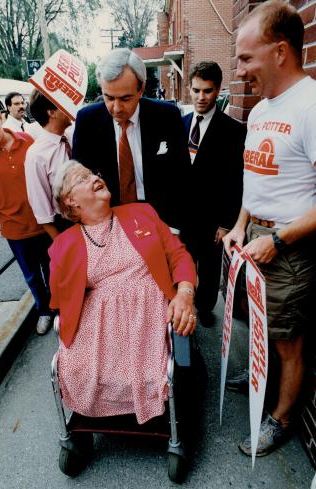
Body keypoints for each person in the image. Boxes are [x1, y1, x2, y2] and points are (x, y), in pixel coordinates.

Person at [223, 0, 316, 457]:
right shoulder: (260, 110)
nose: (238, 70)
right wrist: (241, 226)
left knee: (287, 342)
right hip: (254, 240)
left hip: (288, 248)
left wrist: (276, 241)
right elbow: (254, 178)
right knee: (261, 329)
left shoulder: (312, 106)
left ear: (281, 52)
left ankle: (280, 420)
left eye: (245, 57)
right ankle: (260, 378)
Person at [49, 160, 197, 424]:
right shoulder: (63, 245)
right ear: (70, 201)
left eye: (93, 172)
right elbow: (60, 299)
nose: (94, 177)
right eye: (83, 178)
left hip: (149, 312)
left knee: (151, 371)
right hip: (100, 323)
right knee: (76, 369)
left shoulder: (142, 213)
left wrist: (185, 292)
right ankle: (90, 419)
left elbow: (178, 255)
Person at [72, 48, 191, 233]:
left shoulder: (167, 116)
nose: (117, 108)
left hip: (160, 220)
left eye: (125, 98)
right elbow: (79, 181)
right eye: (109, 97)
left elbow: (182, 176)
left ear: (141, 88)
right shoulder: (87, 121)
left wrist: (175, 227)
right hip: (109, 220)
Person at [182, 61, 246, 327]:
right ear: (190, 88)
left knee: (208, 269)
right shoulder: (180, 123)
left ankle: (206, 308)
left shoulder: (233, 130)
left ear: (218, 90)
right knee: (183, 263)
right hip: (184, 215)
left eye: (207, 91)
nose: (200, 97)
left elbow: (235, 181)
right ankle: (184, 307)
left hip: (213, 219)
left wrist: (226, 223)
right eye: (196, 90)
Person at [0, 99, 53, 335]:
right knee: (32, 276)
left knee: (52, 269)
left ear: (1, 118)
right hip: (14, 228)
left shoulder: (28, 141)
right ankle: (44, 311)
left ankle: (58, 307)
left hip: (44, 222)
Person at [25, 89, 73, 240]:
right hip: (66, 224)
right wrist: (61, 244)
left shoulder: (72, 135)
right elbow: (42, 210)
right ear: (51, 112)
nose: (70, 107)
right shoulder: (36, 155)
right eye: (64, 104)